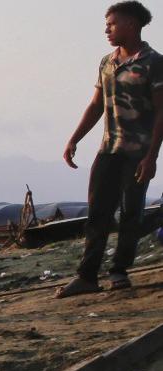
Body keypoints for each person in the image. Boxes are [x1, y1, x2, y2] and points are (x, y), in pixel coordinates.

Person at [57, 1, 163, 298]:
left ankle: (119, 270)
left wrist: (152, 155)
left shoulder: (154, 63)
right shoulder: (107, 61)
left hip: (139, 152)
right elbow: (96, 105)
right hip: (108, 150)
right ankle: (87, 276)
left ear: (131, 25)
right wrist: (74, 138)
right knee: (98, 212)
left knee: (131, 212)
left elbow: (161, 112)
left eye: (112, 24)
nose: (107, 30)